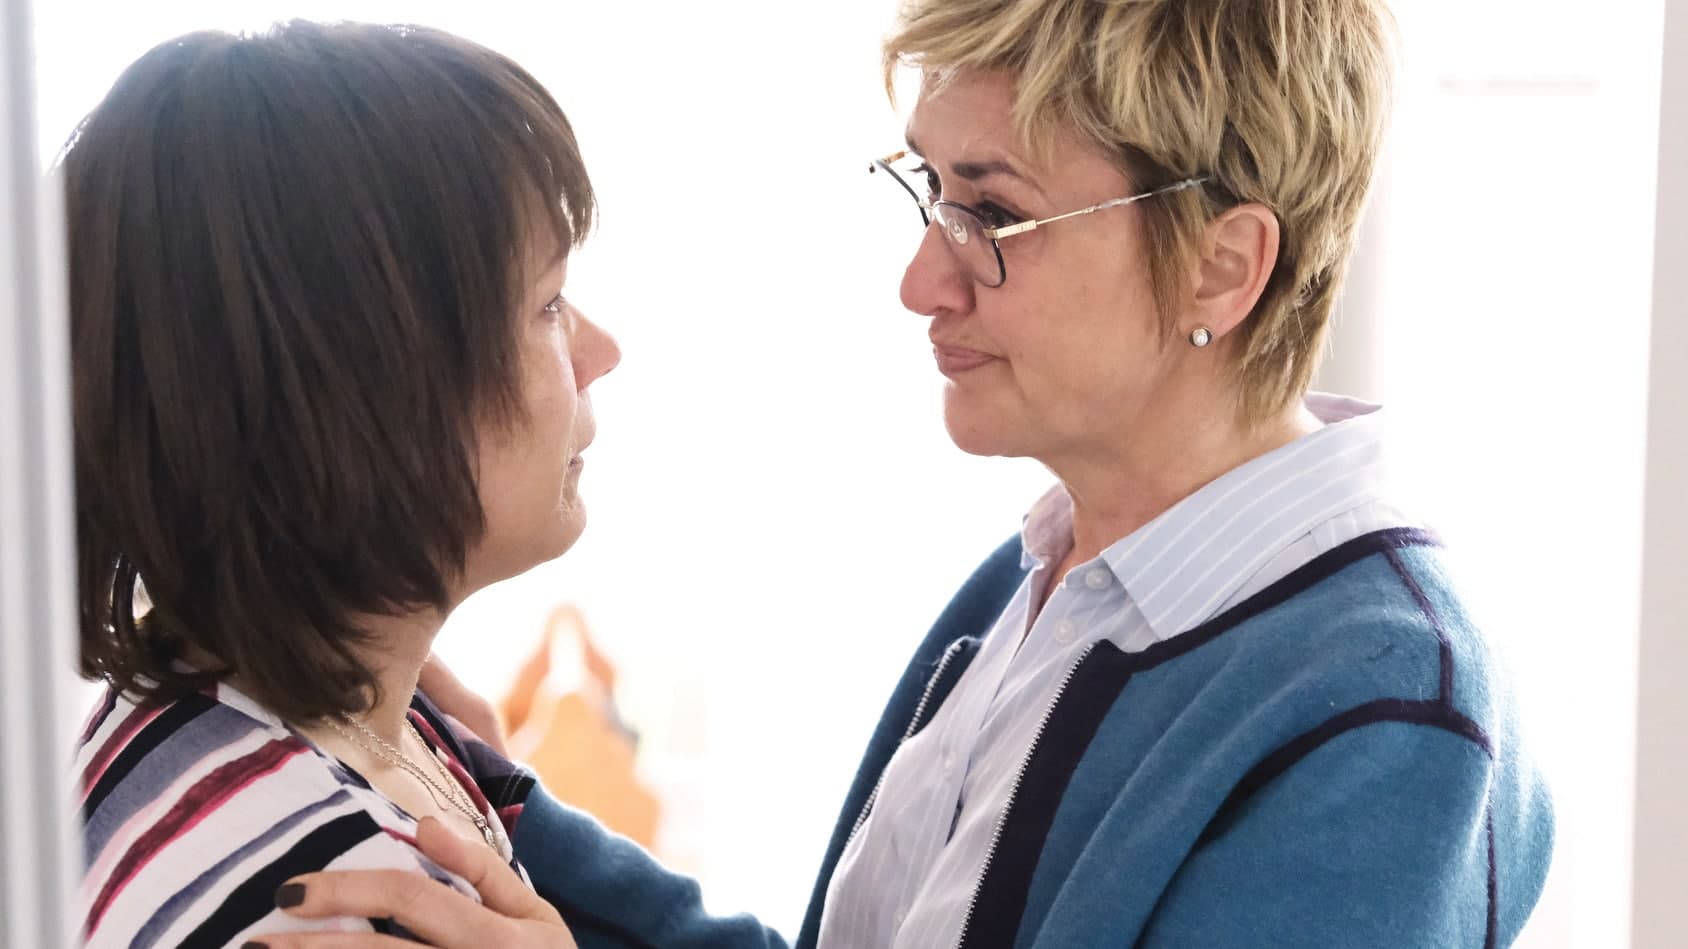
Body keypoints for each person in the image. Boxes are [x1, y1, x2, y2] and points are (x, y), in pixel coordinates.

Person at [260, 0, 1556, 946]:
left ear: (1224, 265)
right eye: (929, 194)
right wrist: (493, 804)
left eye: (992, 214)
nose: (922, 279)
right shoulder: (1048, 574)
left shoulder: (1388, 719)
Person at [67, 20, 618, 947]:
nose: (602, 352)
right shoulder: (352, 906)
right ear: (371, 389)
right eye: (549, 304)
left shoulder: (213, 704)